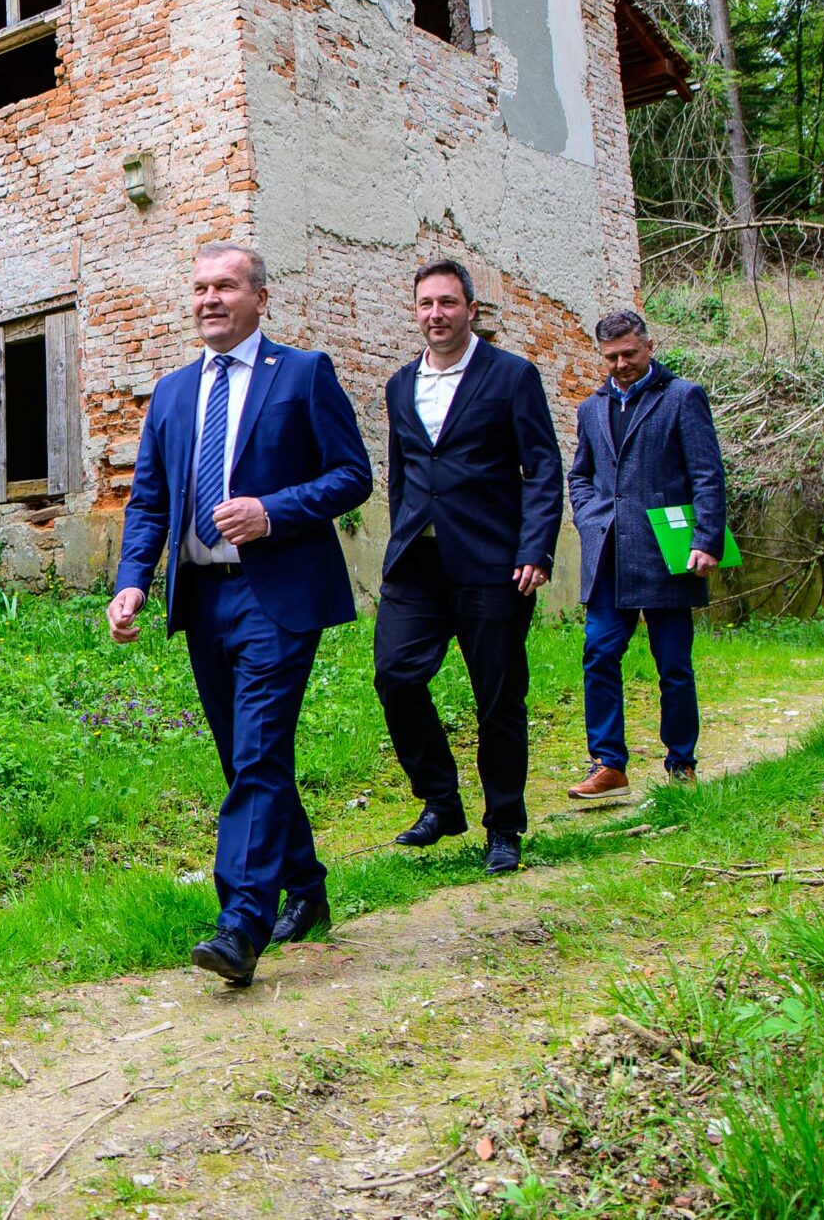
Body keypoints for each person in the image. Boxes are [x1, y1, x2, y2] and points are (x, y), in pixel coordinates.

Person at [108, 243, 373, 988]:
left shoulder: (302, 374)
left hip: (278, 593)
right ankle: (308, 888)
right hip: (203, 596)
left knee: (256, 752)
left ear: (261, 295)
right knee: (243, 757)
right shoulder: (170, 393)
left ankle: (241, 923)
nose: (209, 298)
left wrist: (273, 510)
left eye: (225, 285)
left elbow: (354, 474)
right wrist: (133, 580)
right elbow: (150, 500)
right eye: (199, 287)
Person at [372, 260, 563, 875]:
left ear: (471, 309)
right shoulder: (401, 384)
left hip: (492, 563)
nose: (436, 314)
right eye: (426, 303)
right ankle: (441, 800)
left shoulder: (511, 376)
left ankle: (503, 825)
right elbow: (403, 473)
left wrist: (536, 549)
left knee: (498, 700)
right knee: (395, 676)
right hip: (417, 564)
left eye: (448, 303)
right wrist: (398, 541)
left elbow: (543, 469)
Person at [565, 309, 728, 798]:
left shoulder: (682, 397)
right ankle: (608, 764)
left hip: (666, 554)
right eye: (611, 357)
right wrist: (589, 514)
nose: (620, 364)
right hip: (609, 555)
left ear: (648, 346)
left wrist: (705, 541)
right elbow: (580, 474)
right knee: (599, 655)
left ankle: (681, 762)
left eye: (629, 354)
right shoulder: (591, 408)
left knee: (673, 664)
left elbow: (707, 474)